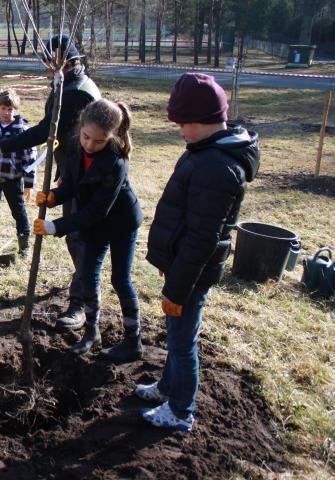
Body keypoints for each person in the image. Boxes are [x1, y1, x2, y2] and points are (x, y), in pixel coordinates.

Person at [135, 73, 259, 432]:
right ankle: (167, 388)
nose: (180, 131)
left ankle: (181, 410)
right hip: (181, 268)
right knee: (176, 334)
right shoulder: (206, 151)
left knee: (183, 341)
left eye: (184, 124)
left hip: (190, 274)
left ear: (205, 120)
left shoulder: (217, 167)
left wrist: (177, 289)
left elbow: (202, 237)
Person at [0, 35, 101, 332]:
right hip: (76, 171)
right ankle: (82, 286)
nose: (48, 69)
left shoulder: (76, 93)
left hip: (86, 178)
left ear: (67, 62)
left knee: (79, 236)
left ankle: (82, 303)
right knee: (76, 237)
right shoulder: (70, 83)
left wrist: (1, 147)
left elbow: (47, 130)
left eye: (51, 63)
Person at [34, 98, 143, 362]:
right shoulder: (74, 145)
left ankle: (133, 340)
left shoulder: (116, 163)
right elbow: (72, 184)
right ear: (80, 128)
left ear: (112, 137)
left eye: (98, 141)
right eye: (85, 137)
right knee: (86, 274)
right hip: (91, 223)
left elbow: (96, 211)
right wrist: (54, 197)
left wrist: (54, 226)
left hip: (120, 224)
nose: (89, 145)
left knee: (120, 279)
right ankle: (92, 330)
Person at [0, 89, 38, 256]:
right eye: (3, 108)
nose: (6, 112)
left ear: (16, 109)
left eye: (10, 109)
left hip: (12, 179)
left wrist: (29, 183)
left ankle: (24, 243)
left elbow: (30, 158)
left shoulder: (22, 130)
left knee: (18, 210)